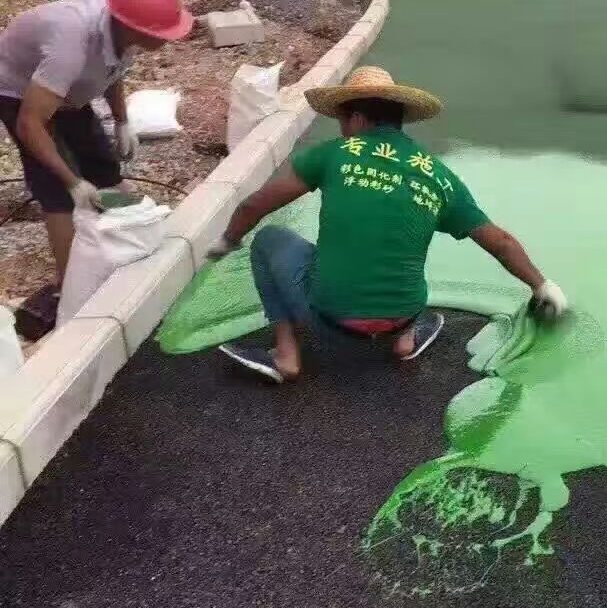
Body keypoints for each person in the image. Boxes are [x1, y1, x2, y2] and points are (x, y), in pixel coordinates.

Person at [209, 66, 569, 384]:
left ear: (357, 118)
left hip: (331, 319)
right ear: (398, 120)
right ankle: (404, 340)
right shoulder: (438, 176)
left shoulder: (335, 153)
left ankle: (286, 355)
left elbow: (255, 204)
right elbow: (501, 242)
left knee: (269, 239)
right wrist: (542, 285)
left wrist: (228, 240)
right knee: (400, 249)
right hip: (403, 314)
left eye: (343, 120)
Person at [0, 0, 194, 283]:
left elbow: (111, 71)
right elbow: (30, 123)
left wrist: (122, 120)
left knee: (104, 168)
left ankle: (124, 241)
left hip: (66, 89)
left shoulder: (123, 28)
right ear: (135, 28)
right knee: (58, 189)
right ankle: (71, 287)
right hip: (18, 91)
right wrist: (72, 181)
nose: (170, 37)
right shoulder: (71, 43)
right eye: (165, 31)